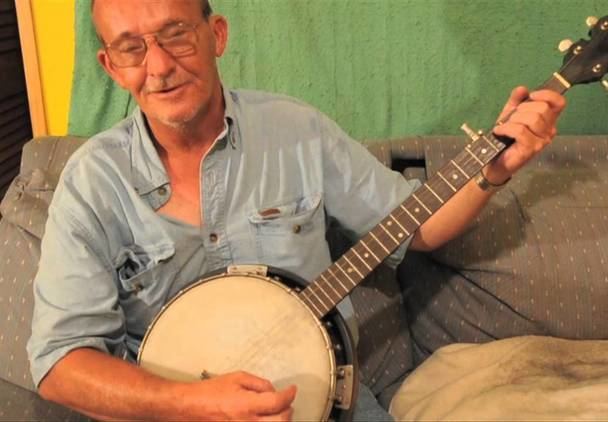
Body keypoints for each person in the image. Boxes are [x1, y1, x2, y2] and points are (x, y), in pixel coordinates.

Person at [26, 0, 566, 420]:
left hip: (323, 405)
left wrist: (494, 168)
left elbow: (417, 225)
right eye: (132, 48)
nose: (160, 66)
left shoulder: (297, 130)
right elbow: (60, 365)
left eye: (176, 35)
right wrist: (196, 404)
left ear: (216, 35)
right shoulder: (92, 182)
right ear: (110, 66)